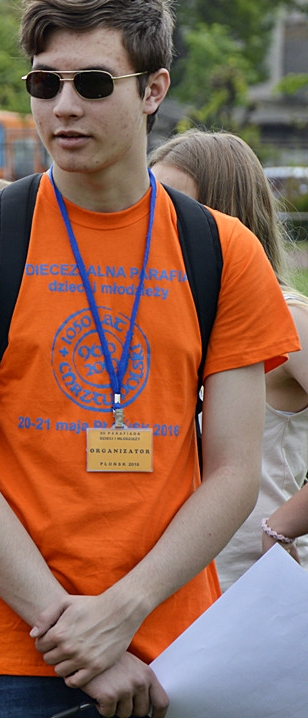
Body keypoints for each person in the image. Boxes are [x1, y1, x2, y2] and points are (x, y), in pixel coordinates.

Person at [0, 1, 300, 716]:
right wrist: (72, 633)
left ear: (153, 90)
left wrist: (123, 613)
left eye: (93, 84)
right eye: (45, 84)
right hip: (5, 658)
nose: (64, 107)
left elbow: (233, 469)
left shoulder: (223, 252)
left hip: (173, 649)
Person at [150, 128, 308, 588]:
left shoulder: (287, 316)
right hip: (170, 589)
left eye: (175, 207)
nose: (155, 220)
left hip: (250, 590)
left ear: (224, 215)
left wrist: (283, 524)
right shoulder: (171, 316)